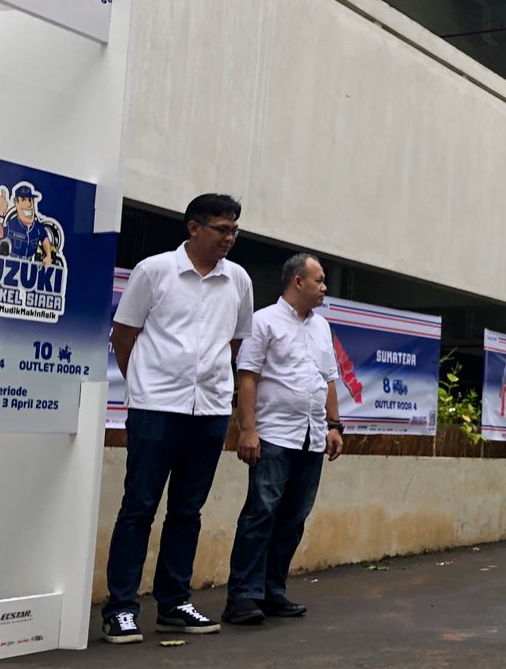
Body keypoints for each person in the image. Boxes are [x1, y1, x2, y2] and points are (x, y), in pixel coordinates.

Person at [102, 193, 255, 644]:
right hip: (156, 408)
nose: (229, 238)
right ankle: (121, 608)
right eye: (222, 229)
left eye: (234, 231)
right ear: (194, 228)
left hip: (208, 409)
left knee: (187, 510)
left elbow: (235, 342)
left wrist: (212, 383)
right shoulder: (154, 271)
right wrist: (144, 385)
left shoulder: (239, 280)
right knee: (138, 508)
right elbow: (123, 335)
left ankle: (173, 603)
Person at [223, 254, 344, 625]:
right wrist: (248, 429)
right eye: (319, 280)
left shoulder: (322, 327)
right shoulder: (263, 322)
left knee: (293, 518)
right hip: (274, 435)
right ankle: (242, 596)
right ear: (297, 282)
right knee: (261, 514)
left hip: (311, 436)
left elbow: (327, 380)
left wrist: (335, 425)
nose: (325, 287)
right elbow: (248, 377)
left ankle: (272, 590)